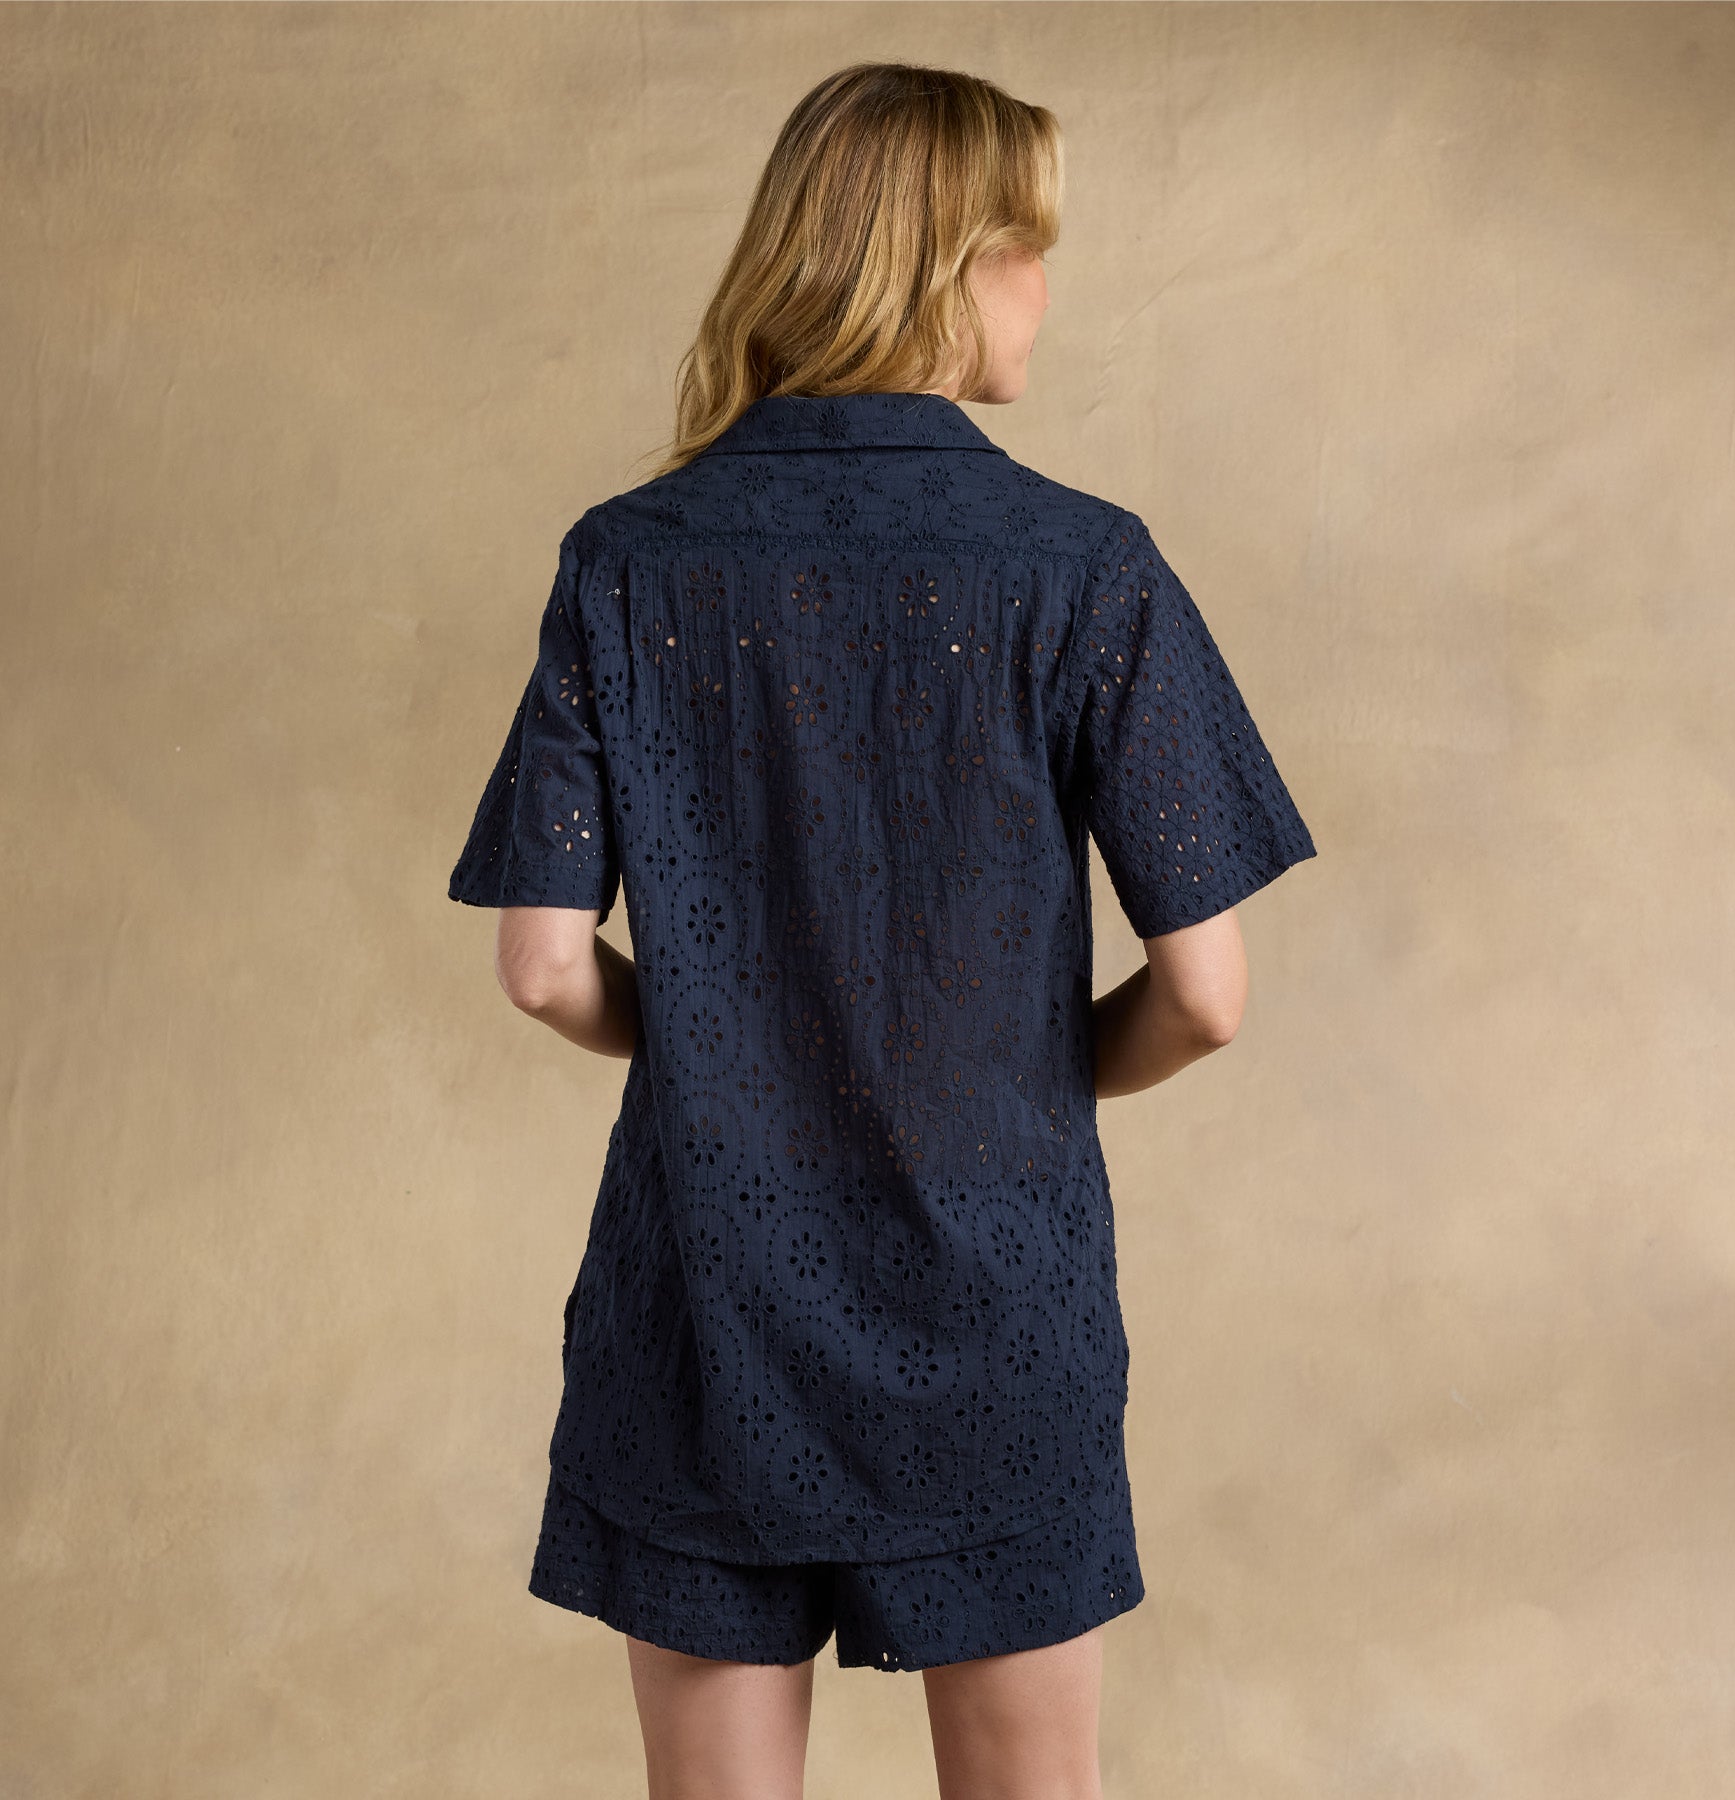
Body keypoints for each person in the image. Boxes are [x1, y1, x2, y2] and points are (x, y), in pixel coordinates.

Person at [447, 59, 1316, 1800]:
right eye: (1029, 249)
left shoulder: (626, 558)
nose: (1047, 292)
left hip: (705, 1301)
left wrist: (725, 1046)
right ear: (951, 262)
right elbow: (1208, 997)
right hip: (998, 1299)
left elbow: (541, 965)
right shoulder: (1085, 565)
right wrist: (1021, 1077)